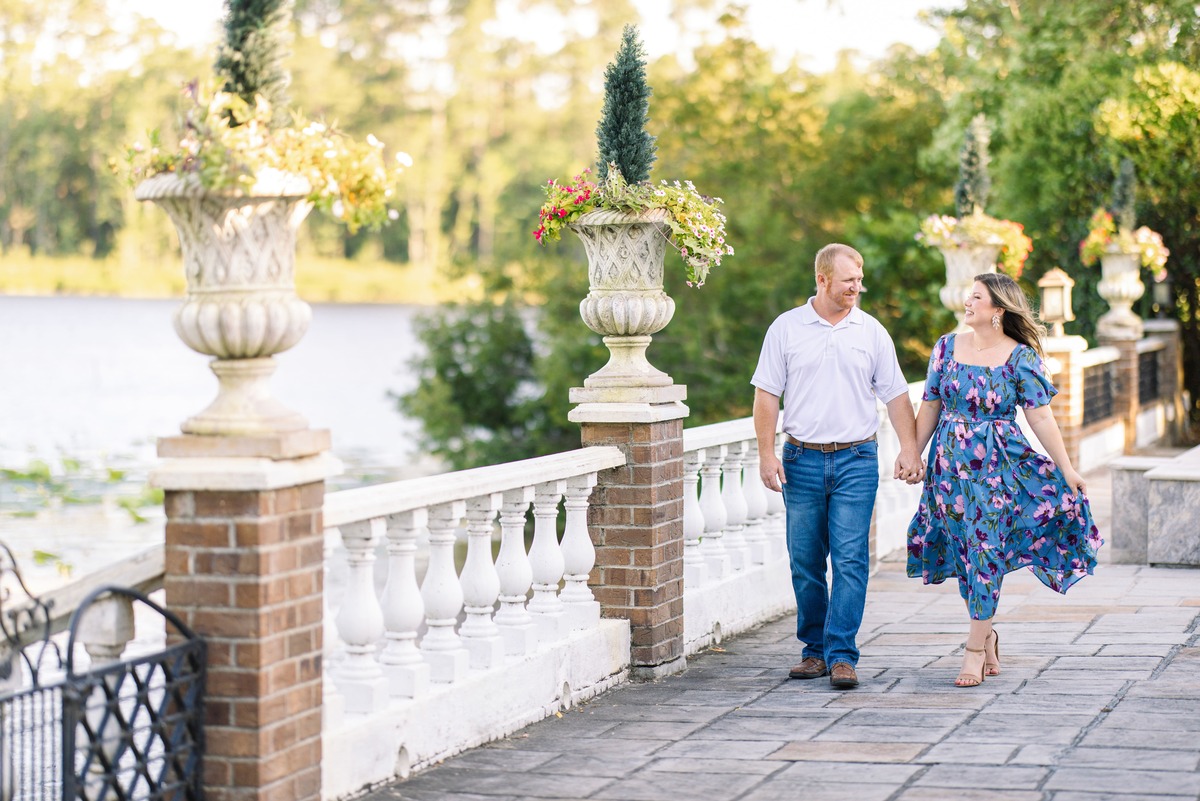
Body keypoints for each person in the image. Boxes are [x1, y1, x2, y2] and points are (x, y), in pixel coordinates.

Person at [906, 272, 1103, 687]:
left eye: (976, 297)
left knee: (985, 552)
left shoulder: (1021, 357)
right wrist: (912, 453)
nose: (968, 302)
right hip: (948, 471)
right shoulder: (945, 347)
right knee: (964, 554)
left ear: (998, 309)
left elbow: (1042, 417)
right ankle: (988, 633)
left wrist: (1066, 468)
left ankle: (974, 650)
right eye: (969, 295)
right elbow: (929, 406)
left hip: (998, 469)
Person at [753, 243, 923, 690]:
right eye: (849, 280)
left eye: (859, 279)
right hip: (801, 460)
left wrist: (910, 449)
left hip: (857, 459)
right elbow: (767, 395)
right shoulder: (786, 329)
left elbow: (896, 396)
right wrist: (766, 453)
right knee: (805, 561)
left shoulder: (871, 332)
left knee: (850, 560)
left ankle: (842, 654)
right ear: (823, 279)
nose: (857, 287)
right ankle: (814, 651)